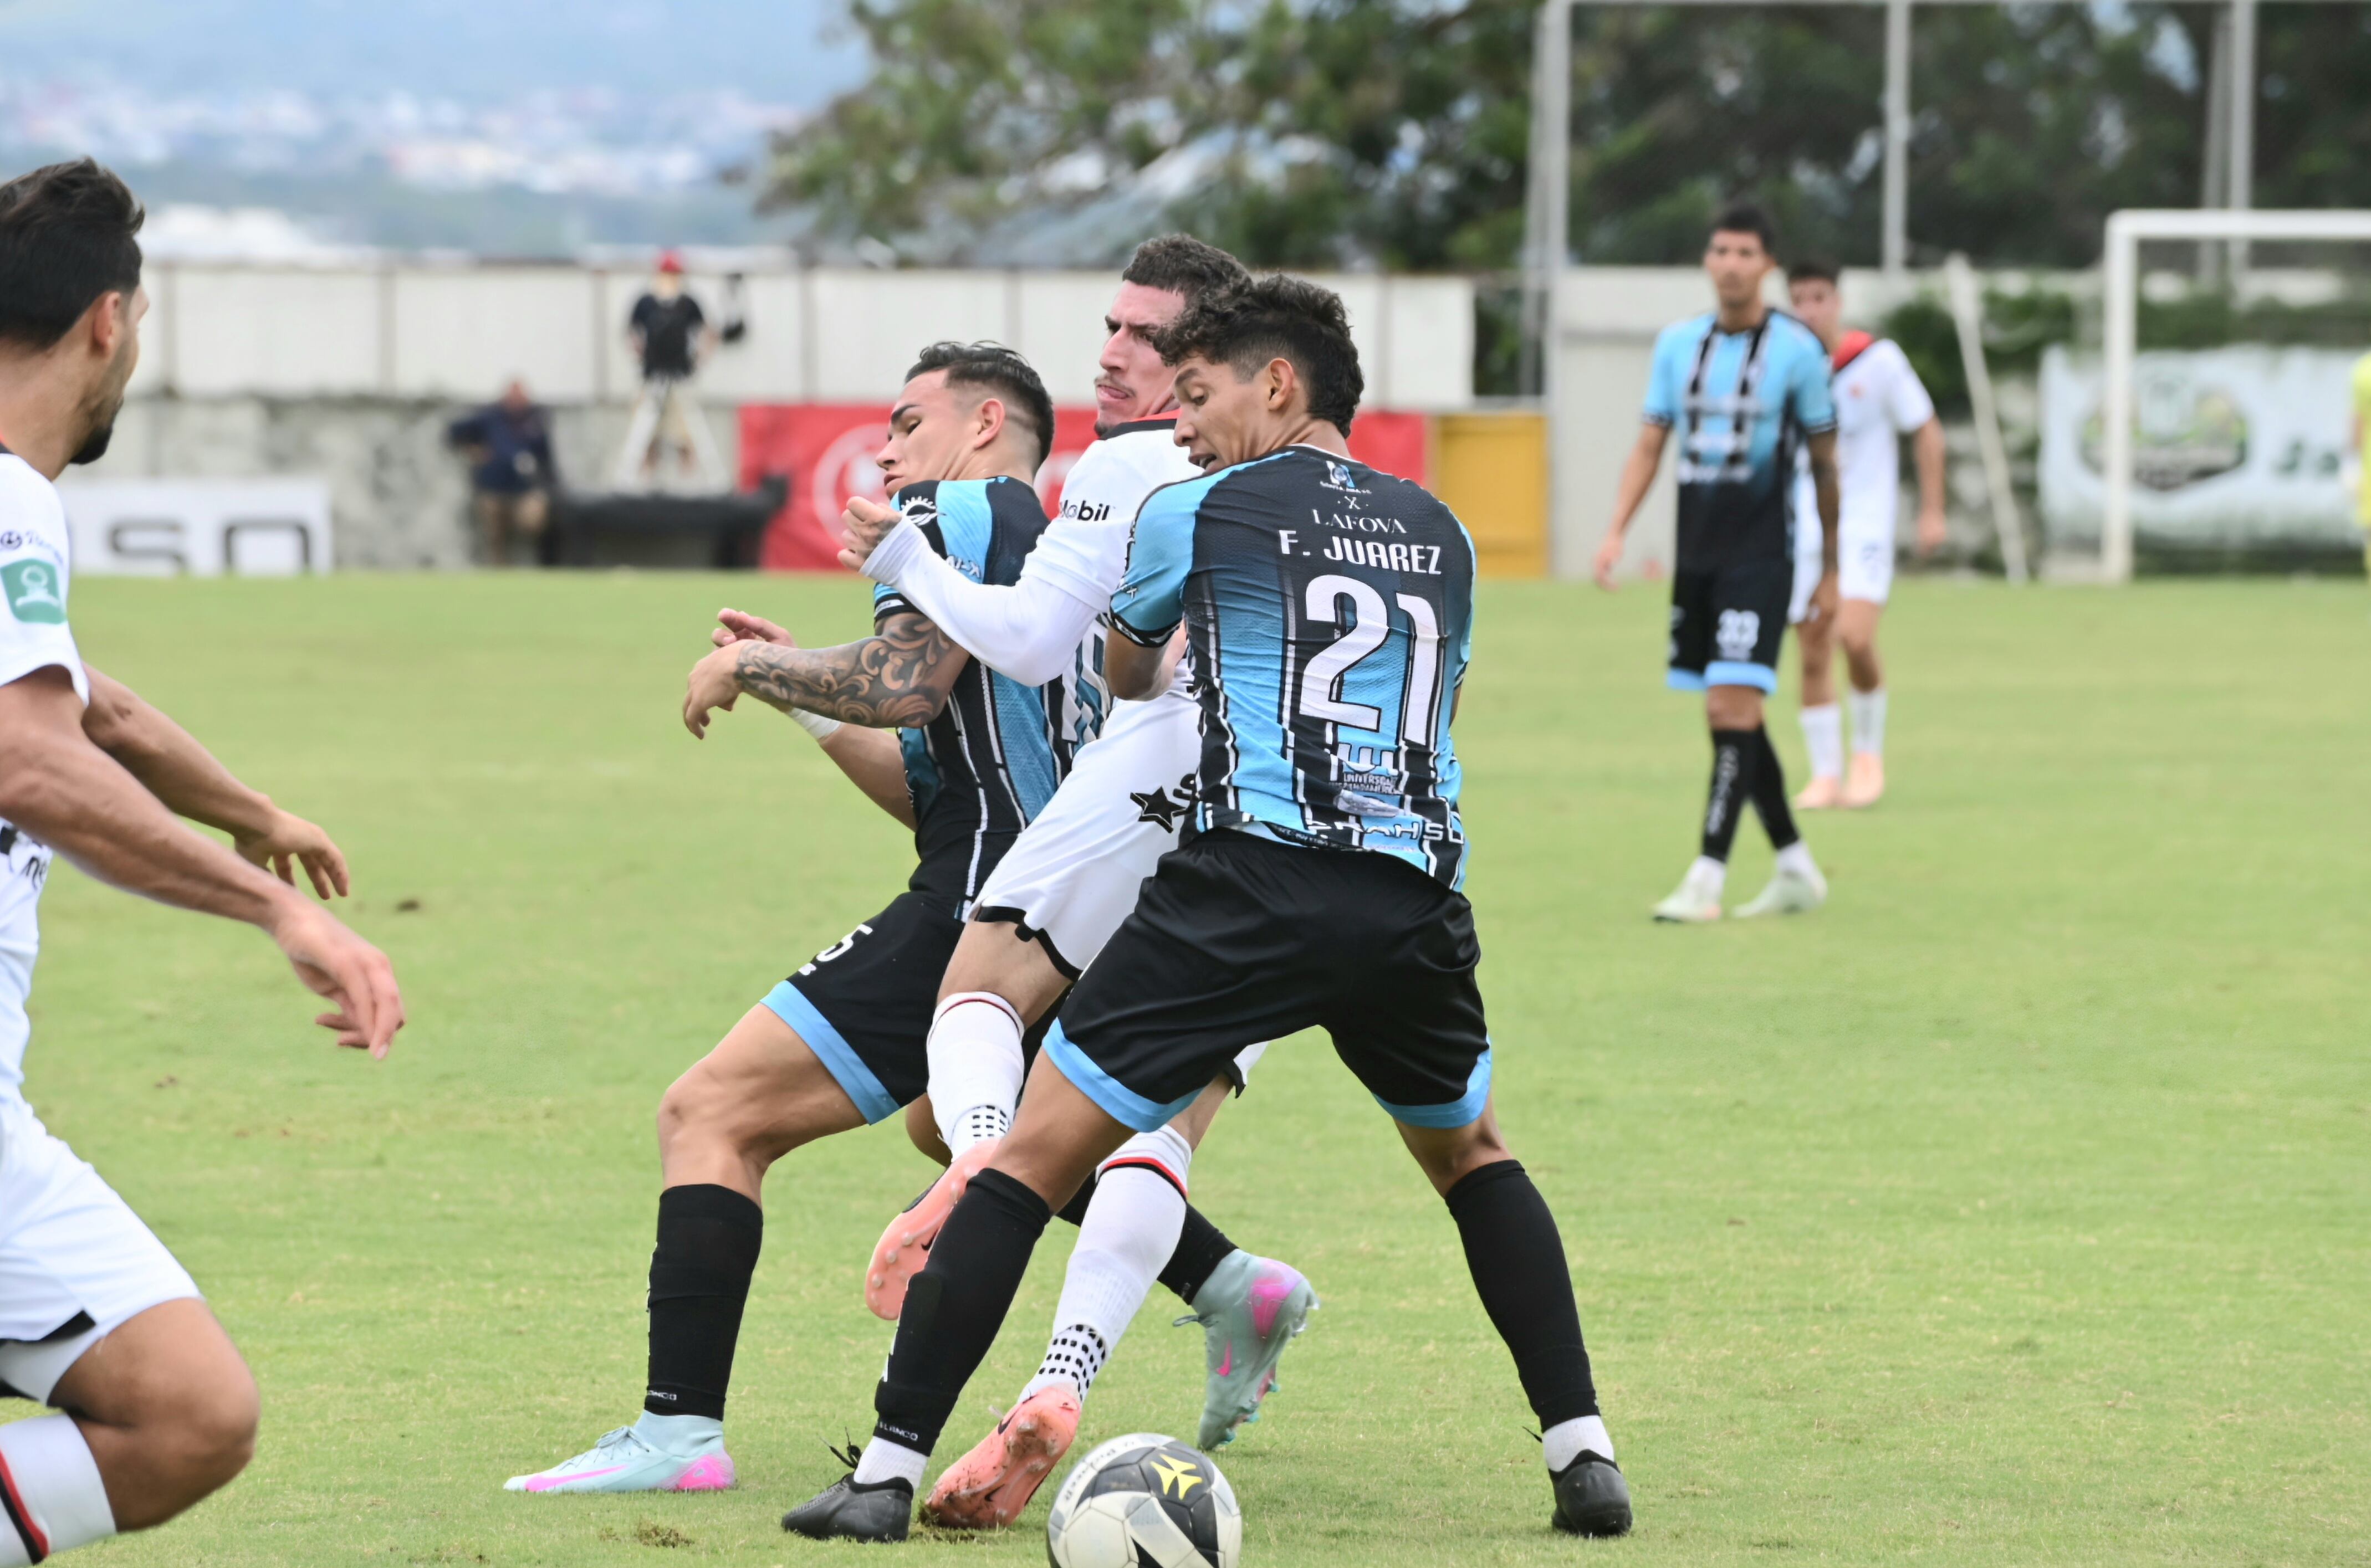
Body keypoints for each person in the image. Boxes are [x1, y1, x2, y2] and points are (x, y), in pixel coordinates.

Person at [783, 275, 1632, 1545]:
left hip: (1245, 884)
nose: (1184, 424)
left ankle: (887, 1471)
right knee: (1474, 1158)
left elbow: (1127, 668)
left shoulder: (1200, 506)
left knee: (1027, 1153)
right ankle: (1585, 1458)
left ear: (1277, 385)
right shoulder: (1442, 529)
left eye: (1202, 392)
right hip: (1411, 892)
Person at [833, 237, 1312, 1528]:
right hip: (1310, 833)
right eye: (1108, 328)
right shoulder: (1343, 487)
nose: (1111, 353)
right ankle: (1085, 1364)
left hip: (1141, 811)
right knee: (1149, 1121)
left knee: (987, 1042)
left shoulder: (1122, 471)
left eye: (1145, 340)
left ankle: (987, 1211)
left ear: (1211, 367)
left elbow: (1056, 651)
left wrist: (904, 564)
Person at [0, 158, 405, 1564]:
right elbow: (31, 758)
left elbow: (84, 701)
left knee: (182, 1404)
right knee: (187, 1417)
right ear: (109, 323)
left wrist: (249, 809)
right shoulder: (7, 498)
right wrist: (274, 912)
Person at [1594, 203, 1839, 923]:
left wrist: (1826, 569)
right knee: (1731, 711)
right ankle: (1794, 864)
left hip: (1762, 555)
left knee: (1730, 704)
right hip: (1695, 553)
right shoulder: (1676, 345)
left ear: (1766, 265)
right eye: (1719, 250)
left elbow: (1827, 466)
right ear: (1707, 261)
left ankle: (1707, 876)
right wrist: (1615, 530)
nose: (1729, 263)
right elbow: (1649, 443)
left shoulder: (1797, 352)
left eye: (1744, 252)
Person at [1781, 259, 1945, 809]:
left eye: (1819, 297)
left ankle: (1868, 755)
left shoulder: (1877, 361)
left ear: (1838, 301)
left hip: (1865, 522)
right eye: (1799, 298)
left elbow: (1925, 428)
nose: (1809, 309)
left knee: (1854, 635)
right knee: (1810, 647)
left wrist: (1932, 510)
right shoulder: (1783, 366)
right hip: (1805, 528)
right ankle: (1825, 774)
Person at [614, 252, 723, 489]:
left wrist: (700, 357)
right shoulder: (646, 303)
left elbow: (708, 332)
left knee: (686, 430)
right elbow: (631, 331)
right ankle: (647, 480)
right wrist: (639, 353)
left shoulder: (688, 303)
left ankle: (687, 481)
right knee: (647, 431)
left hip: (681, 374)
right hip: (652, 374)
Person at [446, 378, 558, 567]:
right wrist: (473, 450)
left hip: (524, 490)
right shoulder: (490, 417)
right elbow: (454, 432)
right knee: (493, 531)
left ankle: (539, 564)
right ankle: (497, 568)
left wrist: (547, 486)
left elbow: (547, 458)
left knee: (534, 520)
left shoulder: (535, 420)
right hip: (493, 488)